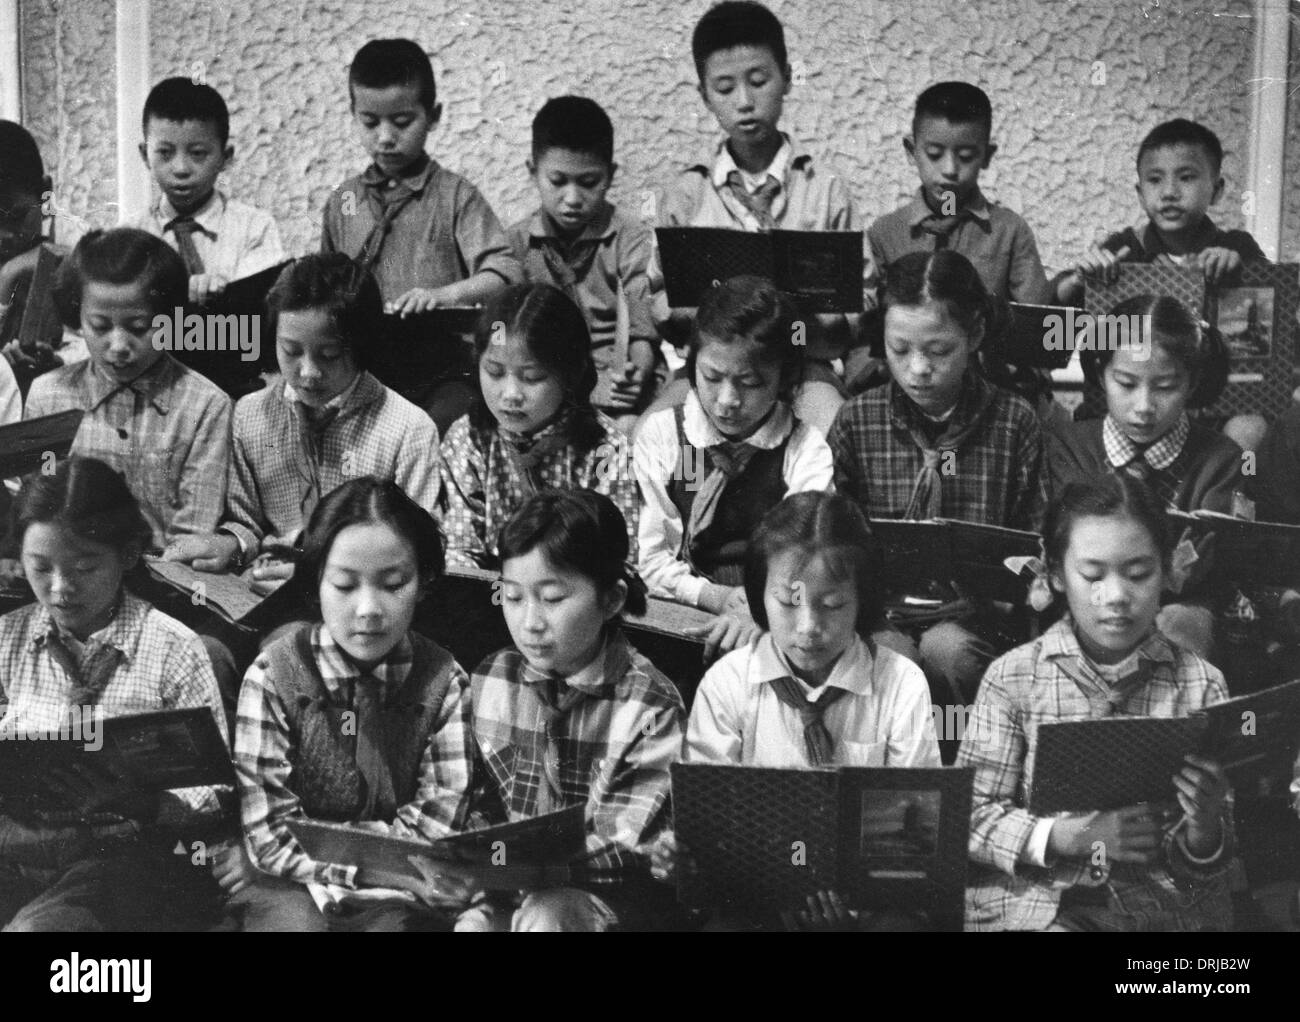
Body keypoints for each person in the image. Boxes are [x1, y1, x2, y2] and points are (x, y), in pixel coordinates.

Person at [960, 474, 1234, 932]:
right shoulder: (1013, 677)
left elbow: (1210, 867)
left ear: (1168, 571)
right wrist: (1067, 836)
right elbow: (968, 816)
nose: (1116, 596)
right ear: (1055, 575)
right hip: (1030, 910)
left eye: (1138, 573)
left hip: (1155, 915)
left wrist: (1205, 826)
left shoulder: (1201, 685)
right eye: (1092, 575)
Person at [229, 477, 476, 931]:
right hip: (291, 883)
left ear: (423, 583)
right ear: (316, 584)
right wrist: (374, 866)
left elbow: (435, 828)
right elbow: (269, 836)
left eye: (393, 583)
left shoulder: (445, 682)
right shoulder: (272, 678)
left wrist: (346, 855)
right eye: (344, 585)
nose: (368, 609)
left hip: (403, 892)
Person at [0, 457, 231, 931]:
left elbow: (218, 787)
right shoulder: (8, 639)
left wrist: (146, 803)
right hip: (19, 844)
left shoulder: (174, 649)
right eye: (40, 568)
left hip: (123, 854)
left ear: (126, 556)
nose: (60, 589)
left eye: (85, 567)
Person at [442, 489, 684, 931]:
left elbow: (625, 843)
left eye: (552, 599)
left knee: (550, 914)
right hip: (503, 887)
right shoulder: (492, 677)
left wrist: (522, 865)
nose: (530, 622)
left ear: (611, 600)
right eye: (513, 598)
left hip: (605, 900)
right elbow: (473, 798)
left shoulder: (650, 704)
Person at [829, 249, 1046, 707]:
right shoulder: (856, 420)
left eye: (939, 350)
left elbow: (1037, 536)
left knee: (948, 651)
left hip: (976, 617)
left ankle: (960, 761)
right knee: (889, 657)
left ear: (976, 334)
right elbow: (831, 535)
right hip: (880, 614)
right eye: (899, 349)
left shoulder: (1013, 421)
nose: (918, 369)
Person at [647, 0, 870, 434]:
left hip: (804, 366)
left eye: (759, 81)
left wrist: (813, 320)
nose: (745, 102)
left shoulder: (823, 189)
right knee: (654, 435)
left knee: (834, 433)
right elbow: (658, 298)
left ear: (786, 78)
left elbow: (861, 300)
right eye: (725, 88)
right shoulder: (687, 195)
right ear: (705, 95)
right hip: (712, 376)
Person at [164, 254, 441, 599]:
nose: (308, 372)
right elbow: (245, 521)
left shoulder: (408, 429)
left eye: (329, 355)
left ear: (362, 345)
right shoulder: (249, 416)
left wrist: (316, 576)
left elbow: (419, 553)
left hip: (362, 599)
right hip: (261, 589)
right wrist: (230, 543)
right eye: (291, 350)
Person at [320, 38, 522, 432]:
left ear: (433, 116)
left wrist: (440, 296)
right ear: (353, 115)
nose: (385, 138)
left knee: (438, 426)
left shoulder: (455, 196)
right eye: (370, 122)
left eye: (402, 122)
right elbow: (324, 288)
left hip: (441, 366)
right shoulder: (343, 201)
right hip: (364, 365)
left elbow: (505, 275)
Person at [634, 275, 832, 662]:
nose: (727, 401)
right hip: (684, 598)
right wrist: (716, 598)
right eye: (711, 377)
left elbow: (808, 556)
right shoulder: (670, 437)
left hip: (775, 607)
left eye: (749, 382)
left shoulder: (802, 448)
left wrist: (761, 610)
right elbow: (650, 557)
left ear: (784, 379)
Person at [1048, 293, 1240, 660]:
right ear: (1102, 373)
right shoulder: (1068, 447)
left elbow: (1209, 566)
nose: (1144, 406)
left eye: (1165, 387)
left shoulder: (1222, 460)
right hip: (1086, 605)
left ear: (1193, 383)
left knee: (1179, 628)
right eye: (1126, 383)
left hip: (1181, 616)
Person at [25, 228, 231, 552]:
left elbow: (193, 535)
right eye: (101, 326)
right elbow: (37, 510)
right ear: (76, 316)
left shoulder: (206, 406)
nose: (119, 346)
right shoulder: (48, 397)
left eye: (138, 328)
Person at [440, 282, 638, 569]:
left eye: (531, 377)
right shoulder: (467, 438)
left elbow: (618, 559)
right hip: (488, 597)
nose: (510, 394)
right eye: (494, 372)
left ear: (570, 375)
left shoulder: (606, 449)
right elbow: (460, 551)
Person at [507, 96, 659, 432]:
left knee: (633, 429)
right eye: (558, 182)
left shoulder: (631, 238)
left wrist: (634, 375)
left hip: (613, 384)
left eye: (589, 183)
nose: (573, 199)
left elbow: (642, 331)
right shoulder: (516, 243)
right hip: (546, 388)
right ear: (533, 172)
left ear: (611, 175)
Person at [127, 77, 285, 305]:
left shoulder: (255, 229)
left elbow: (260, 306)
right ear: (145, 155)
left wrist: (222, 292)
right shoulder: (130, 236)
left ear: (225, 157)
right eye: (165, 153)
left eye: (198, 153)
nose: (181, 169)